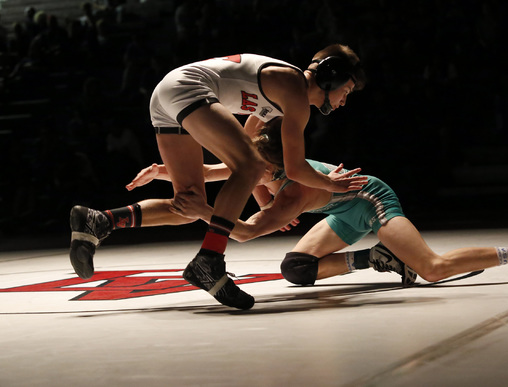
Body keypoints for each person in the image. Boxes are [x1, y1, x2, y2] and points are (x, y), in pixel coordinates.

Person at [69, 44, 368, 310]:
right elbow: (293, 169)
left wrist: (265, 204)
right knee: (248, 166)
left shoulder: (279, 101)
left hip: (167, 95)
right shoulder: (295, 93)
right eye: (347, 90)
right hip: (187, 89)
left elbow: (254, 159)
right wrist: (332, 183)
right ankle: (209, 260)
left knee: (189, 203)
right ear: (332, 77)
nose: (344, 100)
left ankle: (99, 221)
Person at [128, 117, 508, 288]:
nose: (239, 171)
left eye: (248, 168)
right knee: (296, 269)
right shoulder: (259, 166)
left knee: (432, 269)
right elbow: (210, 171)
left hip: (370, 199)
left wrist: (205, 212)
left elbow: (242, 232)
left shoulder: (292, 191)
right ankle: (379, 258)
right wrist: (161, 170)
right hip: (338, 210)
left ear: (272, 169)